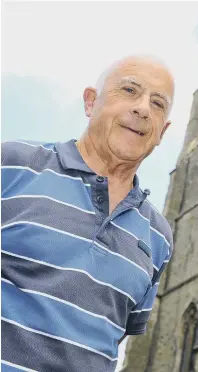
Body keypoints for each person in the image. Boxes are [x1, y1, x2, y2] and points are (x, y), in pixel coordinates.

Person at [1, 55, 175, 372]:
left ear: (162, 132)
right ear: (91, 102)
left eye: (158, 103)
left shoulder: (159, 237)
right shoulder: (12, 163)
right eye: (130, 90)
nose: (143, 109)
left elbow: (112, 333)